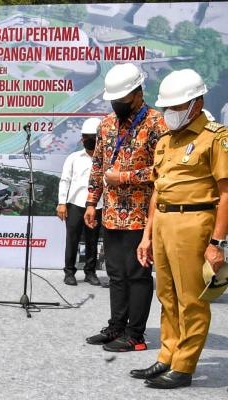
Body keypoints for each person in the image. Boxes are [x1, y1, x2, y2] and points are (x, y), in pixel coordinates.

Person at [132, 69, 228, 388]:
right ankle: (167, 356)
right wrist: (147, 235)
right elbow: (158, 190)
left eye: (176, 107)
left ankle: (184, 366)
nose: (169, 113)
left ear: (196, 103)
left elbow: (226, 193)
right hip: (162, 222)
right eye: (167, 108)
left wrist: (216, 242)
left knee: (191, 299)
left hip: (193, 223)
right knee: (167, 295)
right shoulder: (167, 141)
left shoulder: (215, 137)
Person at [84, 63, 168, 352]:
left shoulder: (157, 124)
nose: (117, 104)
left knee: (137, 274)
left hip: (140, 215)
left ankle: (135, 334)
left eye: (121, 99)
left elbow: (163, 171)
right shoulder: (106, 124)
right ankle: (116, 326)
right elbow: (97, 166)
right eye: (113, 100)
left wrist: (124, 177)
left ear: (137, 93)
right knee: (116, 273)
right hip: (110, 213)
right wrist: (92, 202)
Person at [57, 117, 103, 286]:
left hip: (98, 205)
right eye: (86, 136)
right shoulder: (73, 158)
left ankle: (90, 272)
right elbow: (65, 181)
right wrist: (62, 203)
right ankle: (69, 272)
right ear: (82, 138)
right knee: (72, 239)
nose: (89, 140)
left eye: (93, 137)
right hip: (75, 204)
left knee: (93, 240)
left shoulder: (105, 159)